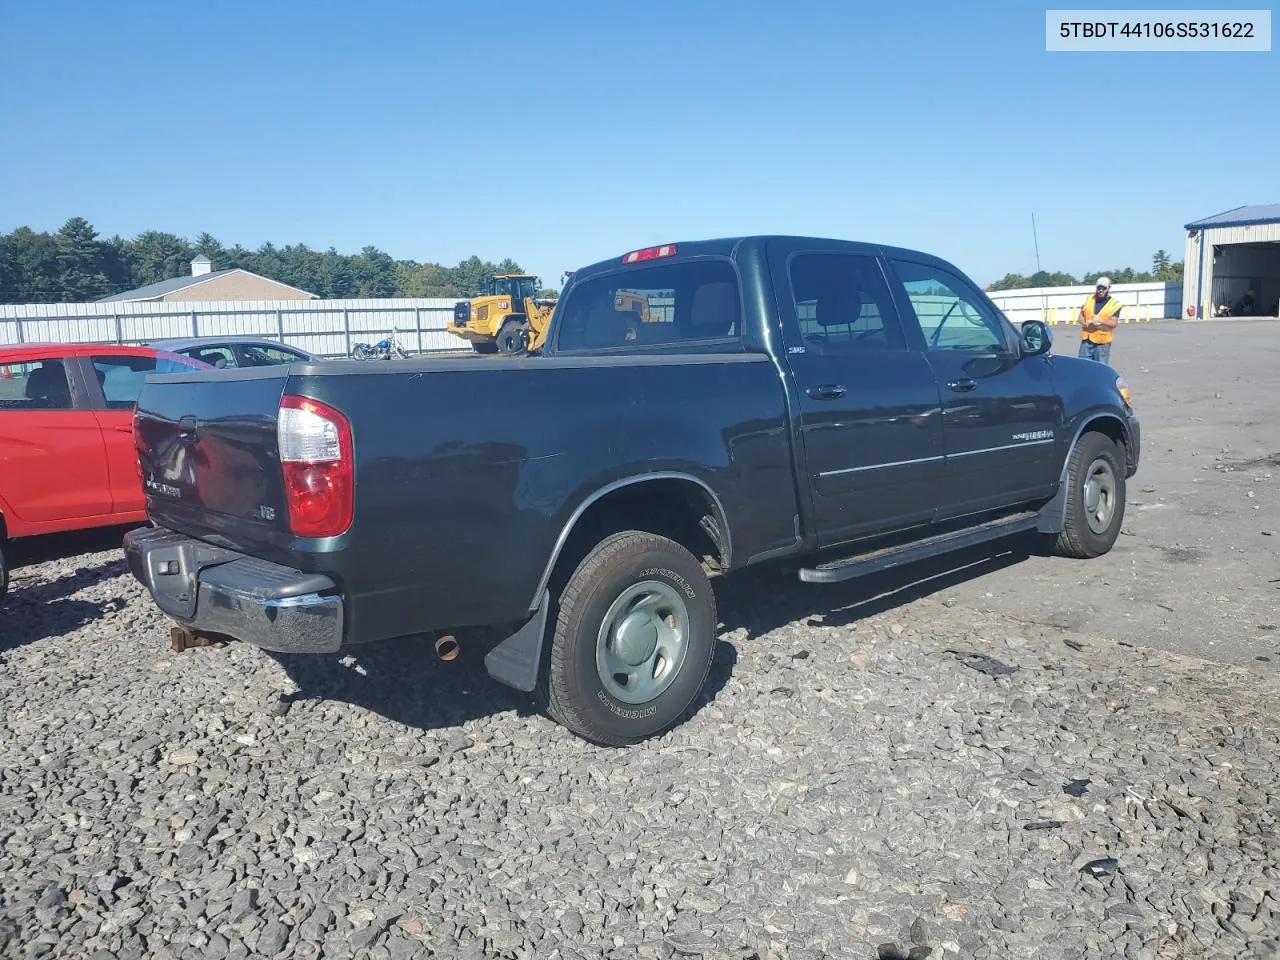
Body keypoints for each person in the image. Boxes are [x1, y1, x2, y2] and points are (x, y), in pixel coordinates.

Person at [1078, 276, 1121, 364]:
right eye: (1099, 288)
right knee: (1083, 367)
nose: (1101, 290)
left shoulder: (1114, 304)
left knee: (1100, 368)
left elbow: (1114, 323)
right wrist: (1085, 323)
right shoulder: (1088, 299)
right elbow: (1080, 317)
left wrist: (1099, 320)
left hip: (1102, 343)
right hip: (1086, 341)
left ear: (1109, 288)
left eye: (1104, 288)